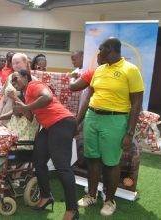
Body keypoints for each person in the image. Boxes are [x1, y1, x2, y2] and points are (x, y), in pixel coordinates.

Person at [76, 37, 144, 217]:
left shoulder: (131, 70)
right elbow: (89, 96)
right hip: (93, 117)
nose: (98, 53)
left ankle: (109, 200)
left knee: (111, 162)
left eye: (101, 49)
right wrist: (79, 120)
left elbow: (136, 103)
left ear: (112, 49)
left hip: (115, 120)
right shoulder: (99, 69)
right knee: (92, 158)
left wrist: (130, 132)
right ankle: (91, 195)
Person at [12, 69, 79, 220]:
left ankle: (72, 210)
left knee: (62, 167)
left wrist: (24, 107)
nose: (14, 82)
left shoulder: (34, 84)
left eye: (16, 78)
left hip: (62, 122)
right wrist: (20, 105)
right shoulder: (25, 95)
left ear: (25, 76)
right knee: (38, 161)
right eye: (12, 81)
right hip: (49, 127)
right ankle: (46, 196)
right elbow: (30, 117)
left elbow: (47, 98)